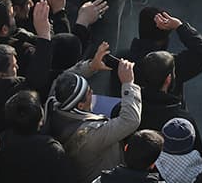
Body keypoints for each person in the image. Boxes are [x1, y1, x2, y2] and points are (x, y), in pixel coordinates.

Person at [46, 43, 142, 183]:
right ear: (80, 105)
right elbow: (130, 121)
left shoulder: (54, 103)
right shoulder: (88, 135)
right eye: (89, 92)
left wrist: (92, 65)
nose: (92, 92)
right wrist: (128, 84)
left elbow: (63, 77)